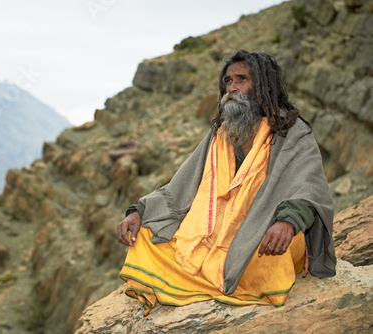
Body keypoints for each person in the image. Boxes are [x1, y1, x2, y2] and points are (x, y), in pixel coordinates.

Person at [117, 50, 336, 315]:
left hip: (263, 232)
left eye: (241, 79)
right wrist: (139, 212)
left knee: (272, 253)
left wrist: (288, 221)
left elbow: (309, 187)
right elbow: (179, 188)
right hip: (215, 235)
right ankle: (216, 278)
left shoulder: (292, 132)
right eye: (228, 81)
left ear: (263, 86)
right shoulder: (221, 133)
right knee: (145, 237)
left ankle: (214, 277)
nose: (231, 88)